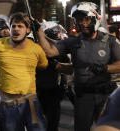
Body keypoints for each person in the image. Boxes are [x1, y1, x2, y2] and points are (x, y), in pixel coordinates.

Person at [36, 2, 120, 131]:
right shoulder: (72, 41)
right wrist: (39, 32)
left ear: (95, 18)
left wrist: (104, 68)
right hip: (83, 97)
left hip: (105, 95)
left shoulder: (109, 40)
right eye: (79, 20)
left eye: (86, 19)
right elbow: (49, 52)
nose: (82, 23)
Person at [0, 12, 48, 131]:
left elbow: (43, 66)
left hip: (31, 101)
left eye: (20, 26)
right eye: (13, 26)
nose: (16, 29)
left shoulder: (37, 49)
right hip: (8, 103)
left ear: (28, 30)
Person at [36, 21, 70, 131]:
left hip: (53, 91)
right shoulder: (36, 49)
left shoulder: (59, 50)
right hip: (38, 91)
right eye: (55, 32)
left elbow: (67, 66)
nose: (58, 34)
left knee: (52, 124)